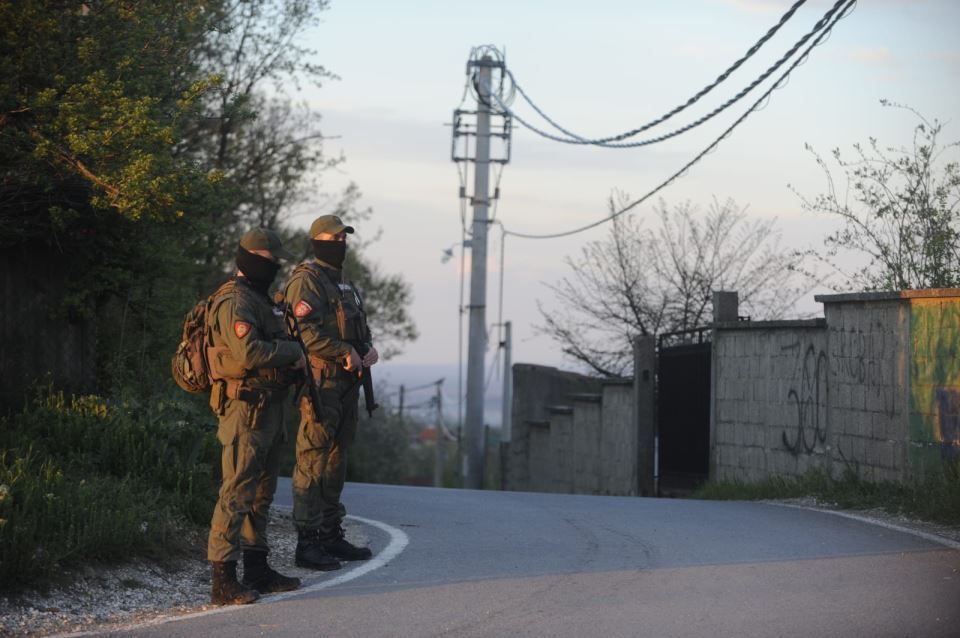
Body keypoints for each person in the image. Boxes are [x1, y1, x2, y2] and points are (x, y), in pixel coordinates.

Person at [205, 228, 304, 605]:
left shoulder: (261, 300)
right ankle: (222, 578)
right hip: (245, 409)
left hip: (270, 408)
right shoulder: (234, 301)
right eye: (269, 259)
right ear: (250, 258)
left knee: (261, 494)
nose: (275, 265)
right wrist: (291, 350)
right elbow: (247, 354)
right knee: (236, 492)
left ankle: (257, 570)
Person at [284, 214, 379, 570]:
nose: (340, 243)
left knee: (337, 460)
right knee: (312, 460)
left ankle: (329, 534)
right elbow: (305, 334)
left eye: (344, 238)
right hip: (321, 384)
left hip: (347, 385)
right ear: (317, 240)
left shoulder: (345, 286)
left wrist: (367, 349)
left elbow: (358, 330)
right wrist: (344, 352)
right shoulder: (306, 281)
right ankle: (306, 541)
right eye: (334, 238)